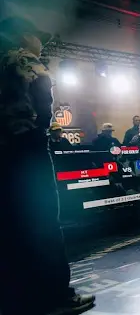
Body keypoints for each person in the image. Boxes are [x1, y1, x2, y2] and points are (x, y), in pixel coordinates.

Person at [0, 17, 95, 314]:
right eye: (38, 37)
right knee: (43, 224)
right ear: (25, 36)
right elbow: (43, 110)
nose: (42, 44)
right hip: (25, 149)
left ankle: (18, 299)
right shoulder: (28, 63)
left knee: (9, 226)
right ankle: (56, 297)